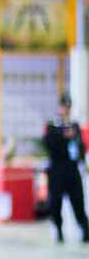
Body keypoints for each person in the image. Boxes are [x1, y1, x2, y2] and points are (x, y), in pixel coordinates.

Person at [43, 94, 89, 244]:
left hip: (72, 170)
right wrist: (63, 136)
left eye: (68, 107)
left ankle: (85, 230)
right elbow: (48, 145)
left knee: (78, 202)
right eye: (64, 106)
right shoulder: (52, 126)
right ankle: (59, 231)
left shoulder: (74, 126)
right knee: (55, 203)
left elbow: (81, 147)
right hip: (57, 170)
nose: (66, 110)